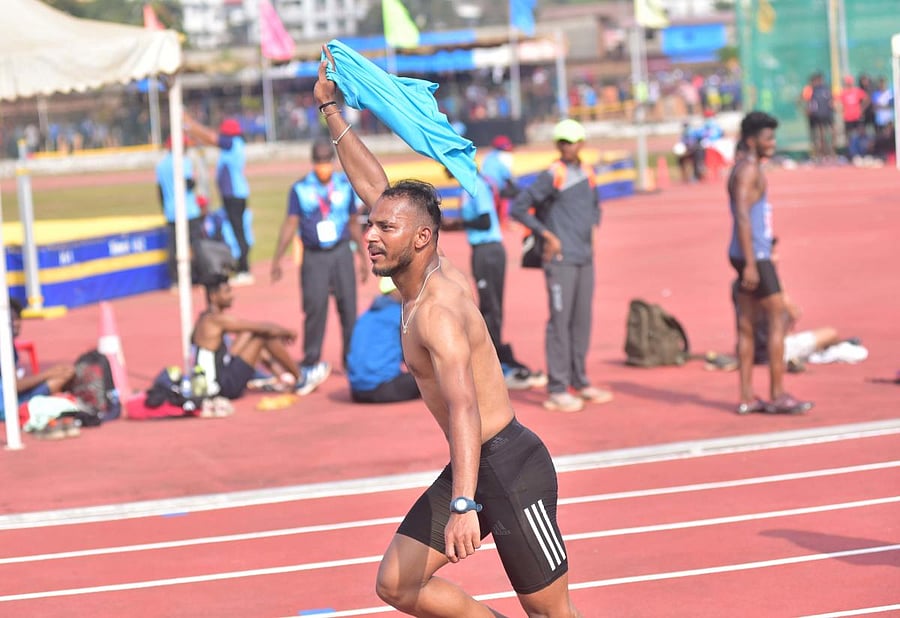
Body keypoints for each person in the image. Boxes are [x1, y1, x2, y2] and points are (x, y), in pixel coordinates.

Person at [314, 47, 582, 617]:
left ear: (421, 239)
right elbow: (376, 188)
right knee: (397, 583)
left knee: (551, 615)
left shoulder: (438, 309)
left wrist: (464, 501)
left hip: (508, 468)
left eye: (386, 229)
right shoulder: (420, 273)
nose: (372, 235)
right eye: (372, 227)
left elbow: (463, 408)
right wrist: (333, 112)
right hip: (474, 464)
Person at [510, 118, 613, 413]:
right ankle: (557, 388)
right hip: (560, 260)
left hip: (584, 258)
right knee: (560, 322)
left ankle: (579, 380)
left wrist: (592, 236)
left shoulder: (587, 173)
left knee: (581, 322)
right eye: (564, 142)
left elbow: (595, 208)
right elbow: (519, 207)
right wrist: (547, 235)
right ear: (558, 145)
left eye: (574, 142)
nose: (569, 147)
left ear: (582, 143)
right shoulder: (553, 174)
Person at [727, 111, 813, 415]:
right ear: (752, 141)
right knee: (779, 319)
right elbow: (741, 215)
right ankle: (777, 394)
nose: (773, 143)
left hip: (750, 253)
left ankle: (747, 397)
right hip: (755, 258)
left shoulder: (746, 168)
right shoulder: (749, 170)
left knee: (748, 326)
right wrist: (752, 263)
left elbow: (752, 216)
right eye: (768, 138)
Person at [271, 138, 369, 389]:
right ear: (313, 162)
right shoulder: (301, 189)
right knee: (315, 308)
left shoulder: (344, 186)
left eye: (327, 161)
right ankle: (311, 359)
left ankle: (350, 358)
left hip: (340, 253)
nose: (323, 165)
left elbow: (352, 222)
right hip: (314, 256)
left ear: (332, 162)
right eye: (319, 161)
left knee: (348, 307)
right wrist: (277, 258)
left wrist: (361, 257)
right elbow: (290, 223)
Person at [451, 166, 543, 390]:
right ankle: (496, 360)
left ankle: (495, 363)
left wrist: (456, 224)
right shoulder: (470, 185)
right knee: (488, 308)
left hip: (488, 250)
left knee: (490, 309)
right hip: (483, 250)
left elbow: (485, 221)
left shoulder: (476, 186)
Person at [191, 273, 307, 399]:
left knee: (248, 333)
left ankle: (283, 377)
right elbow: (262, 328)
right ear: (213, 296)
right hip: (222, 387)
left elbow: (249, 329)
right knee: (261, 337)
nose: (232, 296)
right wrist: (287, 332)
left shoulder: (205, 317)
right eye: (227, 292)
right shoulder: (216, 320)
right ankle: (300, 378)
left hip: (218, 376)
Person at [183, 113, 254, 284]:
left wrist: (189, 123)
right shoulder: (229, 145)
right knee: (234, 231)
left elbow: (211, 138)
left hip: (235, 196)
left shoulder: (232, 143)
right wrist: (192, 131)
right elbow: (210, 139)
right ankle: (239, 266)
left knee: (239, 232)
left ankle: (244, 269)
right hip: (231, 195)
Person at [0, 299, 77, 433]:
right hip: (7, 406)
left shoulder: (9, 344)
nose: (17, 324)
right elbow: (15, 386)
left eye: (18, 319)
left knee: (66, 372)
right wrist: (49, 373)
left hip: (12, 397)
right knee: (61, 376)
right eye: (12, 320)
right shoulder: (3, 346)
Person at [346, 277, 420, 403]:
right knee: (430, 376)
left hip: (357, 391)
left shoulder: (365, 316)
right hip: (382, 388)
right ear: (396, 291)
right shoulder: (399, 314)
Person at [155, 135, 205, 287]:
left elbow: (160, 191)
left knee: (173, 247)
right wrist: (195, 180)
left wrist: (165, 209)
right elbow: (189, 184)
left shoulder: (161, 165)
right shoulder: (184, 162)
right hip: (189, 210)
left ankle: (175, 280)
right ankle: (197, 277)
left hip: (171, 211)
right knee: (196, 245)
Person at [480, 134, 518, 225]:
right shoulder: (504, 157)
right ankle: (505, 220)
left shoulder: (488, 156)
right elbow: (507, 176)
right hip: (495, 186)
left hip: (484, 185)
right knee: (508, 195)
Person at [801, 72, 835, 162]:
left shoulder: (826, 89)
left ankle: (830, 154)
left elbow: (831, 101)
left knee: (830, 134)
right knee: (818, 136)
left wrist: (832, 107)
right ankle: (819, 155)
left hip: (827, 115)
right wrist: (806, 110)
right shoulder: (810, 89)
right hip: (816, 117)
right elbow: (803, 100)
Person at [839, 75, 870, 162]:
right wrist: (841, 111)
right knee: (849, 137)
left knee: (859, 135)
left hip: (856, 117)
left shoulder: (857, 91)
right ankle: (851, 154)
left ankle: (860, 153)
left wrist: (861, 109)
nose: (847, 84)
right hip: (847, 118)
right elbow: (837, 102)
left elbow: (866, 99)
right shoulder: (844, 92)